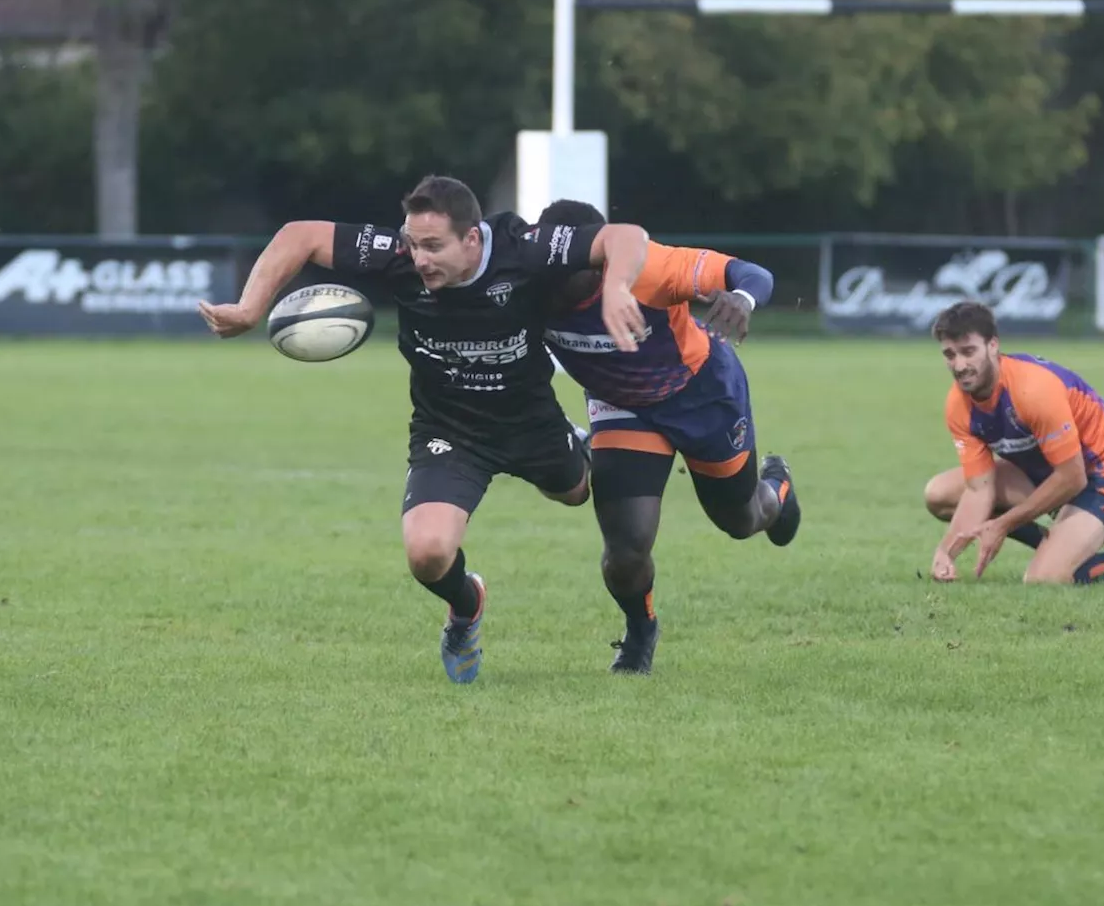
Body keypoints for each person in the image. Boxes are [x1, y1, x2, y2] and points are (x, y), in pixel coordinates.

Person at [198, 175, 650, 683]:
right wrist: (250, 307)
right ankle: (465, 607)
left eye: (434, 246)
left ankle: (575, 442)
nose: (420, 259)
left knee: (575, 492)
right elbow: (299, 235)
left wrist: (615, 289)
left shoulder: (523, 250)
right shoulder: (396, 255)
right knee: (428, 554)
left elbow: (625, 235)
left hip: (530, 421)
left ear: (473, 238)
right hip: (450, 429)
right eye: (414, 244)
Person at [537, 199, 802, 675]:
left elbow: (753, 274)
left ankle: (777, 489)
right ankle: (640, 631)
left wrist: (741, 299)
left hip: (700, 392)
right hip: (622, 406)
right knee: (626, 548)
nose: (554, 289)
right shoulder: (529, 276)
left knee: (741, 520)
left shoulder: (650, 267)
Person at [922, 300, 1104, 585]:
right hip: (1050, 471)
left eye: (968, 352)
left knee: (1044, 579)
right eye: (949, 355)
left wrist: (1003, 524)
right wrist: (946, 552)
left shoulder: (1032, 390)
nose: (959, 365)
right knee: (939, 495)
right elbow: (980, 490)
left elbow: (1073, 477)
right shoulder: (958, 405)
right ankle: (1056, 545)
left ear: (993, 345)